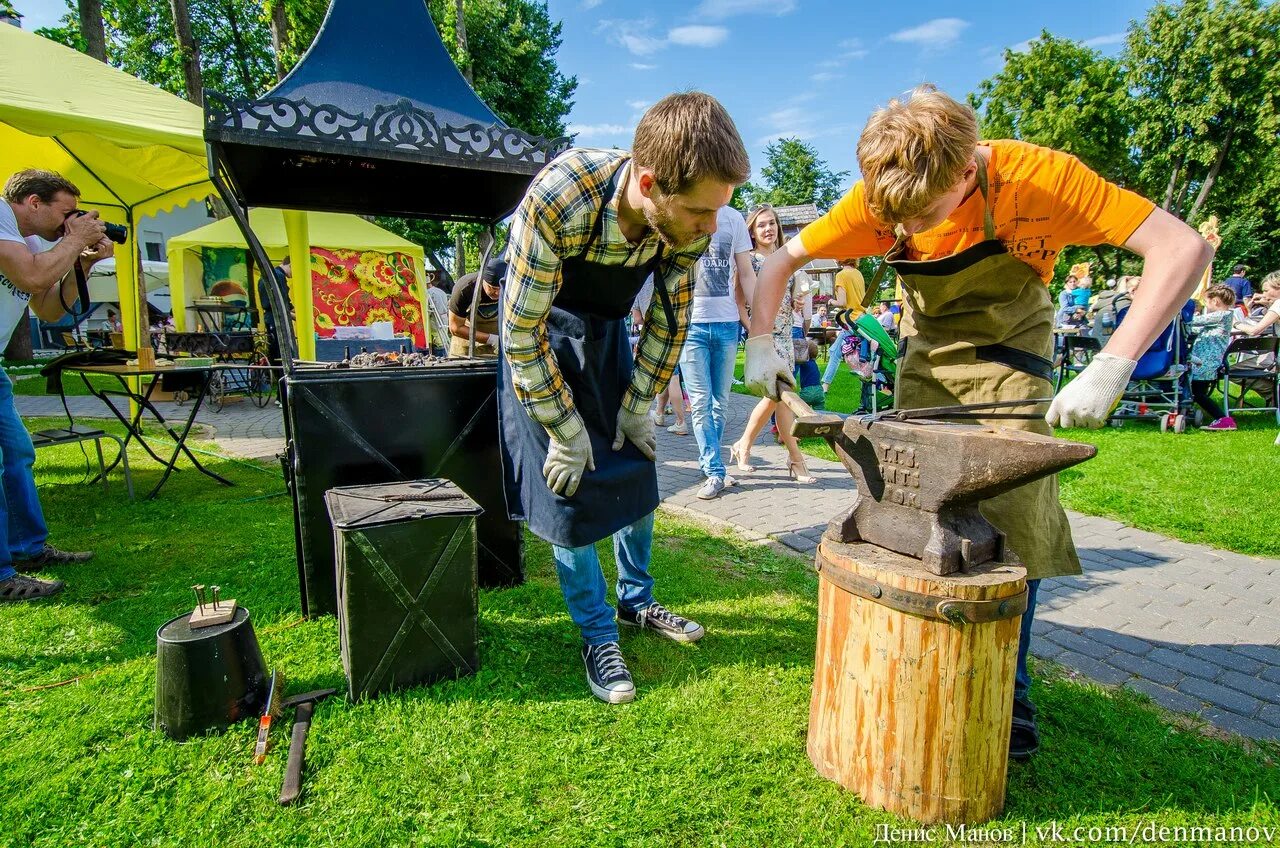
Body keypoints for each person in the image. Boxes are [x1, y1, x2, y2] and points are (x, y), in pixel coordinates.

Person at [743, 85, 1212, 760]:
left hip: (1011, 365)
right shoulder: (883, 195)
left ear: (966, 172)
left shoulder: (1042, 180)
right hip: (925, 362)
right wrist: (763, 341)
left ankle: (1006, 690)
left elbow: (1181, 247)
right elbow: (782, 261)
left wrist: (1114, 361)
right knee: (905, 509)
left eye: (923, 213)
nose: (904, 225)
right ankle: (914, 666)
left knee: (1013, 525)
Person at [499, 93, 750, 704]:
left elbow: (669, 320)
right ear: (648, 183)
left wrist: (639, 404)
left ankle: (638, 601)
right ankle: (597, 633)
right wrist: (563, 426)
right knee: (573, 496)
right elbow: (520, 331)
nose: (711, 228)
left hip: (609, 337)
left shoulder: (688, 222)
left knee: (636, 472)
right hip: (542, 342)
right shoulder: (562, 195)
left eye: (719, 212)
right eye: (699, 212)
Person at [0, 169, 107, 602]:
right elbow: (31, 277)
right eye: (66, 213)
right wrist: (73, 240)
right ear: (33, 202)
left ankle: (28, 550)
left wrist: (84, 261)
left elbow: (46, 308)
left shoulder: (27, 243)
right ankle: (3, 574)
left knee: (17, 455)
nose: (70, 223)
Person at [727, 205, 817, 484]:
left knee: (779, 397)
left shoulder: (784, 259)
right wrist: (752, 330)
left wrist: (797, 301)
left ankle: (744, 445)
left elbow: (788, 297)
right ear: (752, 232)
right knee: (779, 394)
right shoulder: (750, 261)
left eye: (772, 224)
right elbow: (739, 302)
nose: (768, 229)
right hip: (765, 337)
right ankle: (795, 458)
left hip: (786, 335)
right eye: (761, 225)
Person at [679, 203, 753, 499]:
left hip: (726, 323)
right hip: (691, 324)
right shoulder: (684, 210)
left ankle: (712, 462)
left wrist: (758, 318)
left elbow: (746, 272)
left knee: (720, 402)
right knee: (699, 402)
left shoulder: (733, 218)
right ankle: (715, 471)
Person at [632, 276, 688, 436]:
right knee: (671, 376)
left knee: (668, 377)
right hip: (675, 331)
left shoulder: (640, 284)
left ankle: (680, 421)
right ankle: (660, 413)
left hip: (651, 336)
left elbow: (637, 319)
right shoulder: (673, 276)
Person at [1189, 285, 1238, 431]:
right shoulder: (1222, 317)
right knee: (1196, 392)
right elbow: (1197, 328)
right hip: (1206, 362)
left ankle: (1223, 419)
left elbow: (1193, 322)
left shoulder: (1222, 315)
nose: (1205, 305)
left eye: (1206, 302)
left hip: (1206, 363)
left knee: (1197, 393)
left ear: (1215, 301)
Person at [822, 258, 866, 392]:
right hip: (862, 318)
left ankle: (824, 387)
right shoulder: (858, 273)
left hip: (850, 320)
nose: (834, 258)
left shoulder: (841, 275)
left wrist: (830, 301)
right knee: (861, 354)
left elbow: (842, 302)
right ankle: (874, 383)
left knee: (835, 352)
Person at [448, 258, 505, 358]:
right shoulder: (465, 289)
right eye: (492, 288)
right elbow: (455, 328)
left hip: (498, 348)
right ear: (483, 280)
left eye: (501, 288)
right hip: (466, 346)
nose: (497, 293)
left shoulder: (512, 288)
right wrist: (491, 339)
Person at [259, 256, 294, 366]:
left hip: (271, 318)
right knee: (280, 351)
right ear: (291, 265)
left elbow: (285, 302)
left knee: (274, 350)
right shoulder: (278, 276)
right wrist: (294, 316)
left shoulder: (271, 274)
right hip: (276, 319)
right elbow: (280, 302)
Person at [1239, 271, 1280, 336]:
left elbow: (1254, 331)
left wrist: (1235, 323)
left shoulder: (1278, 304)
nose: (1263, 295)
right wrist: (1268, 304)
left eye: (1266, 291)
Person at [424, 272, 450, 356]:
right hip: (444, 317)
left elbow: (429, 309)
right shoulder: (441, 291)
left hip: (436, 318)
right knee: (443, 339)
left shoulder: (429, 293)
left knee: (438, 341)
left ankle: (440, 356)